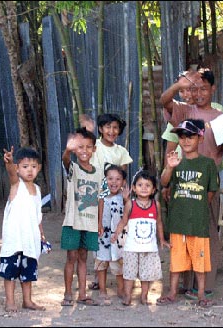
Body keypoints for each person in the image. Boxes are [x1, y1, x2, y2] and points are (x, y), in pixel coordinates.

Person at [162, 68, 223, 298]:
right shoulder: (184, 110)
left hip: (207, 182)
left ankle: (205, 286)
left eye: (204, 88)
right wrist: (177, 85)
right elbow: (163, 101)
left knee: (207, 231)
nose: (199, 93)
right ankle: (185, 281)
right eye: (194, 89)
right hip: (181, 180)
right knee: (182, 230)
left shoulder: (220, 117)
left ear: (213, 89)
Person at [156, 119, 219, 307]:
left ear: (200, 137)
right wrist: (169, 167)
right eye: (181, 137)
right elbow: (164, 182)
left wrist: (197, 206)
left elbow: (210, 191)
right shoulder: (176, 161)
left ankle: (201, 294)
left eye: (190, 136)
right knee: (176, 260)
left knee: (200, 259)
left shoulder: (207, 164)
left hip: (198, 221)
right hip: (178, 220)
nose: (185, 141)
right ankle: (172, 292)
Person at [0, 146, 46, 312]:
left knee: (28, 273)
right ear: (18, 168)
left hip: (30, 239)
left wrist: (41, 234)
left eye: (33, 166)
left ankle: (27, 301)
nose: (30, 170)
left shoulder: (38, 190)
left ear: (39, 168)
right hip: (14, 239)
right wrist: (10, 162)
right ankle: (10, 301)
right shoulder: (16, 186)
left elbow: (37, 215)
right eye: (25, 167)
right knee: (10, 272)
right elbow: (11, 175)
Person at [112, 170, 170, 306]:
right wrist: (116, 233)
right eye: (140, 185)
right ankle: (127, 296)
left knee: (146, 274)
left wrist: (161, 239)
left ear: (153, 189)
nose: (144, 188)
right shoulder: (130, 204)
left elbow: (159, 223)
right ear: (134, 188)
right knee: (129, 274)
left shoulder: (156, 205)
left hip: (149, 248)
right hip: (131, 248)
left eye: (148, 185)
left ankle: (144, 297)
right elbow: (123, 221)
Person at [88, 113, 133, 291]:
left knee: (115, 234)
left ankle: (120, 274)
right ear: (100, 129)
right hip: (94, 196)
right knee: (98, 235)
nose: (111, 131)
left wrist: (125, 197)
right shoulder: (94, 146)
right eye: (107, 127)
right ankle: (99, 278)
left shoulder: (121, 151)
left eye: (115, 128)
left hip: (114, 200)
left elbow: (122, 176)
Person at [61, 127, 103, 307]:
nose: (84, 151)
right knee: (71, 257)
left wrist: (100, 222)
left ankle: (83, 294)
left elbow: (101, 198)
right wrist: (67, 150)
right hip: (73, 221)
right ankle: (68, 293)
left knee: (84, 257)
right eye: (80, 147)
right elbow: (65, 160)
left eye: (88, 147)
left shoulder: (100, 172)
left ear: (94, 149)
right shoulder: (73, 168)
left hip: (91, 222)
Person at [95, 164, 130, 305]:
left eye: (118, 179)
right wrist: (98, 225)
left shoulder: (124, 198)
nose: (114, 182)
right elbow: (99, 214)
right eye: (110, 178)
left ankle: (121, 290)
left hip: (119, 237)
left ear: (123, 182)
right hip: (103, 235)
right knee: (102, 262)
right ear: (105, 180)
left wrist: (127, 199)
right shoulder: (102, 197)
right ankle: (103, 290)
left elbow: (128, 214)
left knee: (118, 264)